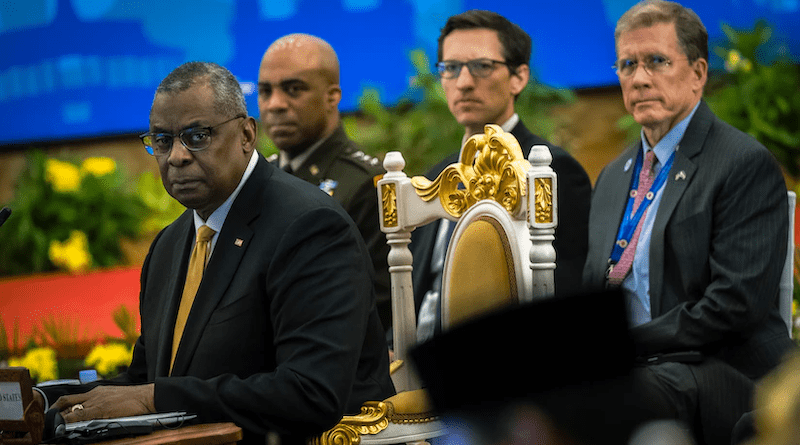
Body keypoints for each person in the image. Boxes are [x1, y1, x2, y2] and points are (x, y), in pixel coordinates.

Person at [35, 61, 395, 445]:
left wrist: (151, 397)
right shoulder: (169, 246)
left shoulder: (309, 226)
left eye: (197, 136)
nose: (176, 156)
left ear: (246, 134)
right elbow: (147, 382)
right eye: (161, 140)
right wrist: (46, 399)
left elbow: (310, 392)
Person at [582, 2, 794, 444]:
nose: (639, 78)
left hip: (726, 370)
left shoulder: (742, 164)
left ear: (698, 73)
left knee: (609, 398)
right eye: (627, 65)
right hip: (641, 368)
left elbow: (734, 306)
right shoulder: (611, 177)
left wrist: (629, 344)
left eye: (657, 61)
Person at [413, 10, 592, 341]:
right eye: (450, 68)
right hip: (414, 362)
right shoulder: (438, 175)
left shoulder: (550, 169)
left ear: (518, 77)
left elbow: (570, 289)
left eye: (482, 66)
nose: (463, 82)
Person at [257, 34, 392, 331]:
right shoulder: (259, 178)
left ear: (332, 96)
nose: (275, 104)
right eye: (265, 91)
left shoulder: (367, 183)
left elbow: (379, 304)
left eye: (294, 89)